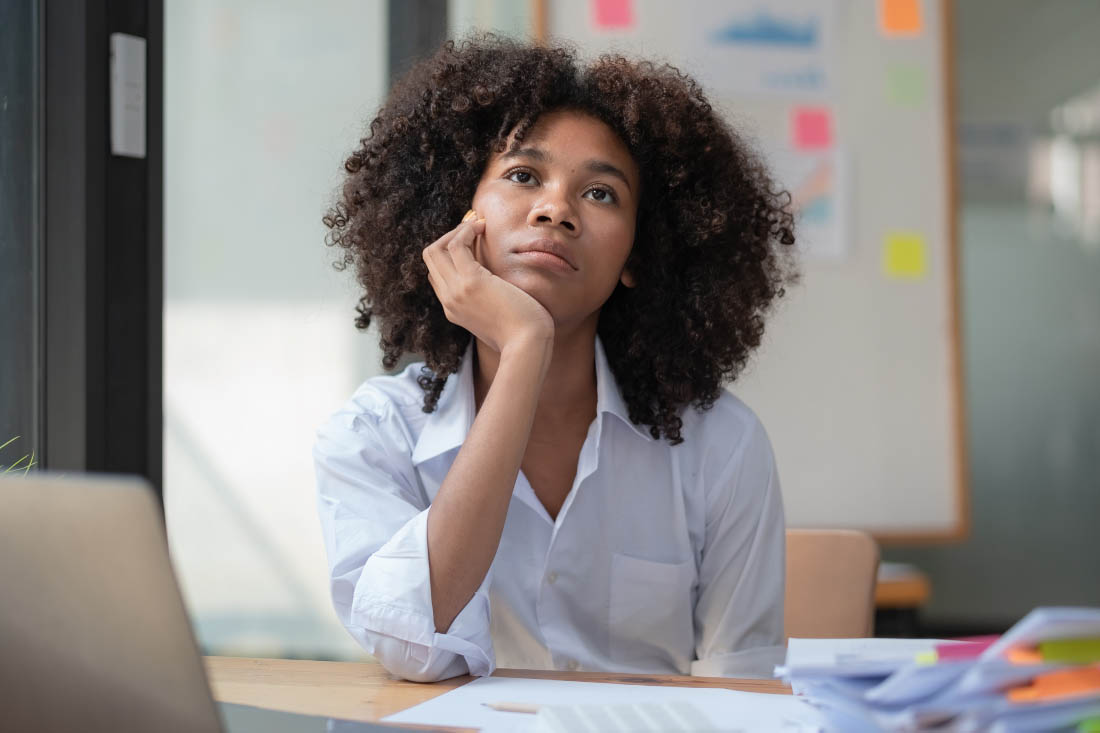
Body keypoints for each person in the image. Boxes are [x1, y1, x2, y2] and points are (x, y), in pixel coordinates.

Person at [314, 35, 797, 683]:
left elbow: (744, 692)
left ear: (636, 258)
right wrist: (523, 349)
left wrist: (522, 343)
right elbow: (410, 644)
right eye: (522, 175)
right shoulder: (374, 434)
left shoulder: (722, 446)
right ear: (457, 218)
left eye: (601, 194)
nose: (556, 209)